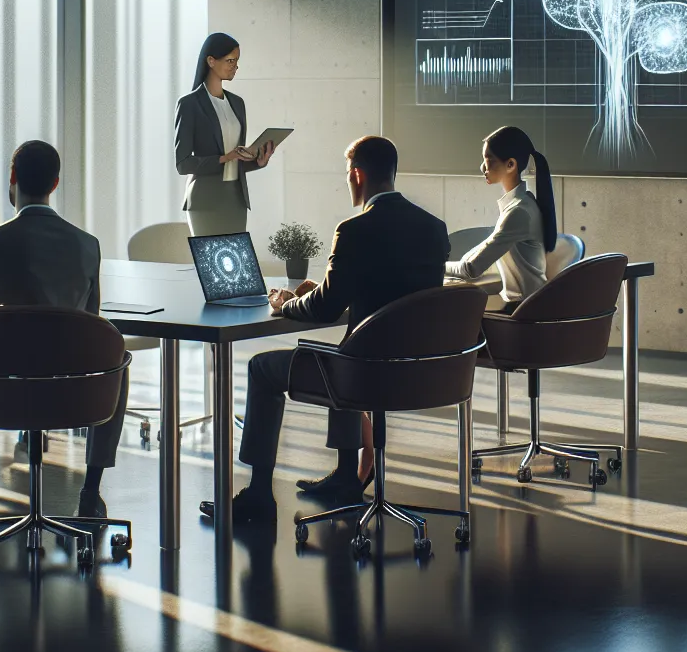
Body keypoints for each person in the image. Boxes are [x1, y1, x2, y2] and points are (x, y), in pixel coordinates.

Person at [201, 136, 449, 524]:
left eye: (347, 176)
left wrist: (287, 304)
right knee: (343, 348)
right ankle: (346, 476)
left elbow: (324, 308)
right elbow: (395, 293)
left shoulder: (353, 229)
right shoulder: (434, 228)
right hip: (418, 369)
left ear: (357, 175)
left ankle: (259, 495)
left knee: (262, 369)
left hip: (364, 373)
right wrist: (329, 292)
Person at [0, 140, 129, 520]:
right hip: (72, 392)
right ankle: (91, 488)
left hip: (3, 390)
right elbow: (92, 318)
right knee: (116, 359)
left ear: (12, 179)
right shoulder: (87, 245)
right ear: (55, 184)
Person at [445, 125, 558, 308]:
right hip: (524, 305)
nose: (482, 167)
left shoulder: (519, 212)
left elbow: (472, 268)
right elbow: (476, 258)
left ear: (511, 165)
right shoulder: (520, 205)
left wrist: (437, 267)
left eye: (488, 160)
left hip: (525, 311)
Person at [174, 32, 274, 236]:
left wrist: (257, 161)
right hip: (205, 201)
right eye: (229, 60)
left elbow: (236, 162)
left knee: (235, 265)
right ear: (211, 61)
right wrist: (225, 157)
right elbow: (183, 164)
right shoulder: (189, 104)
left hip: (236, 200)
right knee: (209, 264)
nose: (234, 67)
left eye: (237, 62)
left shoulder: (237, 103)